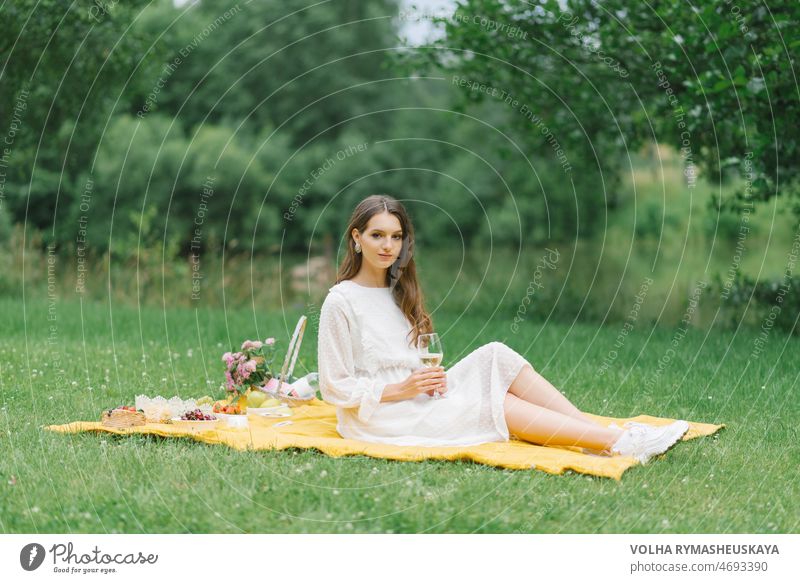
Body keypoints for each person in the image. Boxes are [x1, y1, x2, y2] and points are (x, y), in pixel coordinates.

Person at [317, 195, 689, 463]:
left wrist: (426, 380)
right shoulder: (341, 301)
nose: (388, 245)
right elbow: (334, 385)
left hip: (418, 399)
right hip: (381, 418)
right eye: (377, 235)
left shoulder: (398, 291)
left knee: (496, 353)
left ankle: (594, 434)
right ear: (356, 238)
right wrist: (400, 388)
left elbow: (411, 365)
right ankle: (618, 441)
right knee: (496, 402)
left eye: (396, 236)